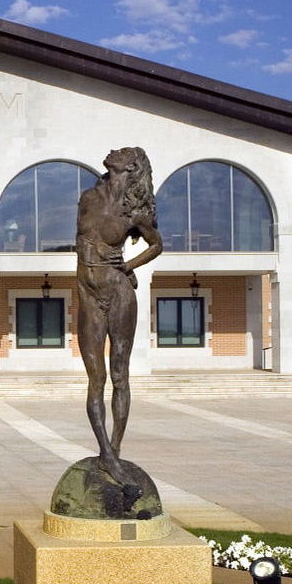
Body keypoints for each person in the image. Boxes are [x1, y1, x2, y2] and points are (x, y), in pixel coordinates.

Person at [75, 147, 162, 490]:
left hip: (119, 292)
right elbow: (79, 243)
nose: (113, 152)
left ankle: (116, 449)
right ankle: (105, 454)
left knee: (119, 375)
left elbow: (156, 245)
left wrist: (129, 267)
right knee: (95, 378)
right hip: (88, 292)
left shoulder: (134, 212)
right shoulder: (87, 197)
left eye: (122, 152)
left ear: (131, 165)